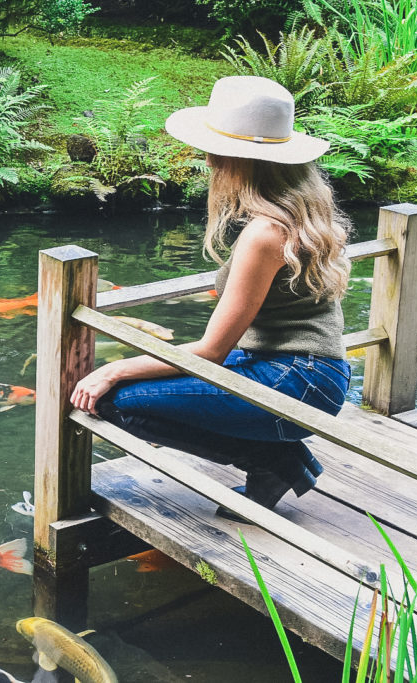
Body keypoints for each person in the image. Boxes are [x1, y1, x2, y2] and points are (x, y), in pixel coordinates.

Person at [69, 75, 352, 517]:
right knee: (138, 385)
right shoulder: (304, 211)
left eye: (214, 151)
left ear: (236, 160)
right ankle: (280, 462)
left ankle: (275, 461)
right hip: (315, 373)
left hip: (294, 379)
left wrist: (115, 368)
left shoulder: (265, 231)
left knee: (112, 400)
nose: (207, 160)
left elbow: (211, 351)